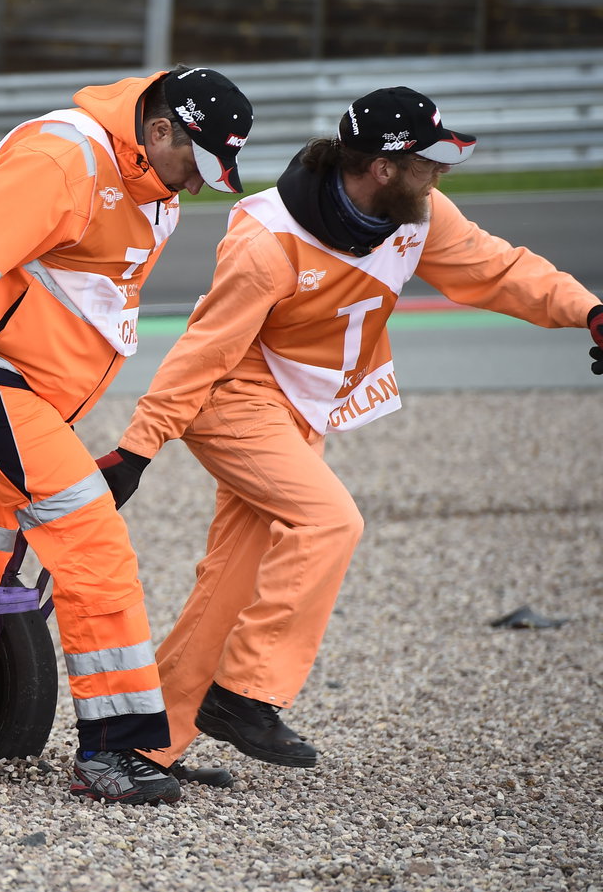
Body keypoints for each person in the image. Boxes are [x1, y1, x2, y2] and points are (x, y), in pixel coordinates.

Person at [97, 87, 603, 778]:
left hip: (297, 411)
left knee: (231, 583)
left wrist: (590, 312)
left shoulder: (416, 215)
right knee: (330, 521)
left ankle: (139, 748)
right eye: (428, 162)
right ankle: (245, 693)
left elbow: (500, 271)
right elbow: (203, 352)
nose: (439, 174)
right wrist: (137, 449)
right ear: (384, 168)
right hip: (231, 399)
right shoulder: (267, 237)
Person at [0, 66, 254, 804]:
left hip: (16, 392)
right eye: (196, 164)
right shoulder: (65, 162)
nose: (197, 185)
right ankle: (113, 752)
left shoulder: (146, 178)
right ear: (160, 131)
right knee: (93, 542)